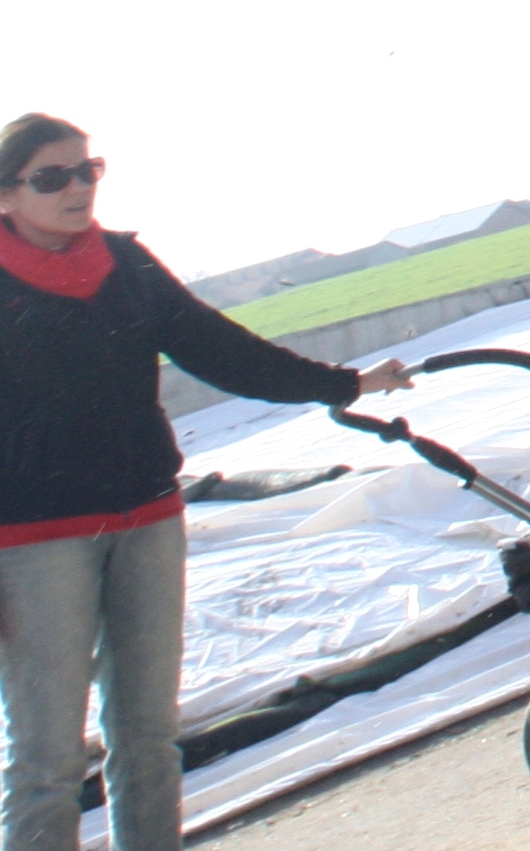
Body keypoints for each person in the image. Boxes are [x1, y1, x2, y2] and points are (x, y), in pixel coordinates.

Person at [0, 116, 411, 851]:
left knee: (150, 737)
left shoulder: (126, 263)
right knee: (48, 758)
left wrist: (344, 382)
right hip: (34, 543)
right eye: (51, 177)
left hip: (149, 522)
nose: (77, 188)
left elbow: (219, 350)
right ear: (6, 197)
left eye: (87, 170)